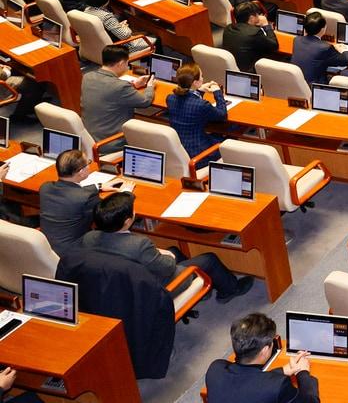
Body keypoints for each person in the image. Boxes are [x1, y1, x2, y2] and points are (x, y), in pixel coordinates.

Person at [83, 192, 253, 300]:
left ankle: (201, 288)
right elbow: (167, 268)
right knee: (209, 259)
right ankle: (230, 290)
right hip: (155, 289)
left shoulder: (89, 238)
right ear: (127, 221)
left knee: (173, 250)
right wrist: (168, 257)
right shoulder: (138, 245)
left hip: (124, 287)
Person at [205, 312, 320, 403]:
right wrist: (302, 373)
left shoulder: (215, 369)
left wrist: (282, 371)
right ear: (265, 350)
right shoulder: (277, 386)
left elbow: (247, 381)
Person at [80, 44, 155, 150]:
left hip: (89, 139)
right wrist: (150, 86)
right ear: (120, 63)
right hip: (111, 143)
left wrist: (133, 85)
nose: (127, 66)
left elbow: (108, 93)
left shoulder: (87, 77)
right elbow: (146, 101)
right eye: (127, 63)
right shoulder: (120, 86)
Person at [39, 149, 110, 255]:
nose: (90, 165)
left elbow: (74, 193)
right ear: (81, 172)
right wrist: (125, 193)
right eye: (88, 163)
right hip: (71, 252)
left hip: (45, 248)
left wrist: (98, 186)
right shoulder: (86, 198)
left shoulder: (45, 188)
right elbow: (106, 216)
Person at [166, 63, 228, 161]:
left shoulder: (170, 98)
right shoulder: (202, 105)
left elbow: (189, 102)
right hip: (199, 153)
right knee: (230, 138)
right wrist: (218, 93)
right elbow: (222, 115)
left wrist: (199, 90)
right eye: (201, 76)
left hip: (179, 148)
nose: (203, 79)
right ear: (195, 82)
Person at [291, 11, 348, 86]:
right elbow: (346, 60)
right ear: (323, 29)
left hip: (297, 83)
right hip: (315, 87)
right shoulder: (325, 48)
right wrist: (345, 49)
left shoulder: (297, 40)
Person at [223, 1, 279, 73]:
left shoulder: (228, 28)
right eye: (257, 14)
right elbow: (274, 45)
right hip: (252, 72)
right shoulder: (254, 32)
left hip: (233, 69)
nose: (259, 16)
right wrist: (266, 25)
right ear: (252, 18)